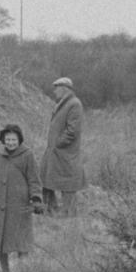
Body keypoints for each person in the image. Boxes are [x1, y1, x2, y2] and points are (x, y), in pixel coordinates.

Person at [0, 124, 42, 272]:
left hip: (19, 205)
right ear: (3, 140)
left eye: (13, 139)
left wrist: (36, 199)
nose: (10, 142)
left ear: (19, 139)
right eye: (7, 139)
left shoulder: (28, 155)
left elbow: (34, 179)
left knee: (22, 241)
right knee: (0, 241)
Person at [41, 77, 85, 217]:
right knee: (46, 179)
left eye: (56, 88)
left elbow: (73, 131)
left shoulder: (74, 104)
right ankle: (50, 210)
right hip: (55, 152)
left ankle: (69, 214)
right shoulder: (64, 103)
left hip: (65, 153)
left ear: (64, 89)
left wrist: (59, 143)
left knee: (68, 184)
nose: (54, 91)